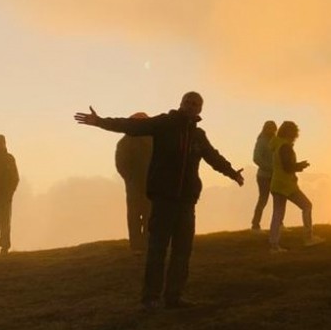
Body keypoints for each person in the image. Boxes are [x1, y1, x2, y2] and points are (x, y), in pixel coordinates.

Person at [74, 92, 245, 309]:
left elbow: (213, 157)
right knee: (157, 249)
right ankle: (151, 298)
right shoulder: (164, 124)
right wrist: (100, 122)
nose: (191, 106)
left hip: (186, 201)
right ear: (181, 104)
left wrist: (233, 173)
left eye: (196, 104)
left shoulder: (198, 135)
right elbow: (132, 126)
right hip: (164, 199)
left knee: (182, 251)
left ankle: (174, 297)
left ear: (200, 109)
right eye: (187, 102)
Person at [268, 121, 325, 252]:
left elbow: (283, 165)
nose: (295, 136)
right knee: (307, 206)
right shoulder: (285, 147)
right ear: (289, 133)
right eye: (294, 133)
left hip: (276, 183)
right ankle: (308, 238)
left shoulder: (277, 145)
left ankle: (274, 245)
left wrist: (298, 165)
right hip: (287, 185)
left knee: (277, 213)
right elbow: (288, 167)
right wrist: (300, 166)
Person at [115, 114, 154, 254]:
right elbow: (121, 165)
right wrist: (131, 180)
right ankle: (138, 245)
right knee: (136, 215)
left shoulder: (153, 139)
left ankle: (145, 243)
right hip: (136, 186)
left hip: (150, 184)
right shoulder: (126, 142)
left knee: (148, 214)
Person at [250, 120, 278, 232]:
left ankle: (278, 224)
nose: (272, 131)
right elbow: (256, 158)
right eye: (270, 128)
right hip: (264, 176)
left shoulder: (274, 140)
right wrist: (269, 167)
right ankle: (255, 225)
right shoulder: (261, 141)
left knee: (278, 200)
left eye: (273, 129)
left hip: (275, 175)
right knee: (263, 200)